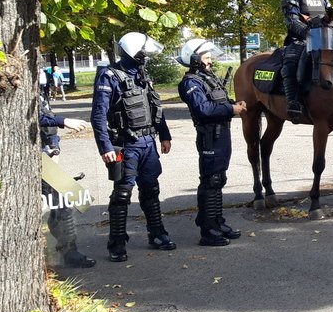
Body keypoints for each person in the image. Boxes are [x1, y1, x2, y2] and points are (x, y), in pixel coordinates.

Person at [91, 31, 174, 263]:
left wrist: (164, 135)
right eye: (143, 52)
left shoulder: (142, 74)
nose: (146, 56)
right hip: (125, 145)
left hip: (148, 143)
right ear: (132, 51)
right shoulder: (109, 76)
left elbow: (155, 107)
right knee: (122, 194)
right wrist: (105, 146)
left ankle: (157, 234)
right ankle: (116, 243)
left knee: (151, 189)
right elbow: (98, 116)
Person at [177, 38, 247, 247]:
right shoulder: (191, 83)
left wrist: (233, 104)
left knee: (219, 179)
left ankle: (217, 221)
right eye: (206, 57)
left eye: (209, 57)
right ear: (194, 59)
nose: (209, 61)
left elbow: (217, 102)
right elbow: (204, 110)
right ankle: (207, 231)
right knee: (211, 181)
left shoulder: (207, 79)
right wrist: (231, 110)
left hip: (222, 134)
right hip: (209, 136)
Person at [39, 94, 95, 268]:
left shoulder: (39, 92)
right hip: (27, 159)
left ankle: (70, 252)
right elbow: (37, 119)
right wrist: (63, 121)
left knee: (70, 199)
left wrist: (55, 149)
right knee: (48, 205)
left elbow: (48, 124)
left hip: (45, 158)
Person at [281, 0, 333, 122]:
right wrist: (308, 33)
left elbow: (330, 16)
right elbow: (291, 20)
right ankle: (294, 103)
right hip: (300, 39)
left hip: (324, 38)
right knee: (290, 64)